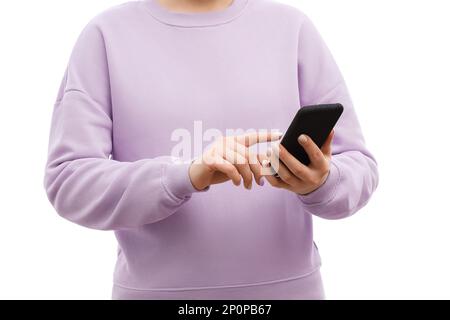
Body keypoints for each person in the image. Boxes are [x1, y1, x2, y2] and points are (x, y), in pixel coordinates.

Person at [44, 0, 379, 299]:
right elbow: (69, 180)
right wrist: (185, 175)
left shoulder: (292, 28)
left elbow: (358, 167)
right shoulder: (106, 36)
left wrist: (321, 181)